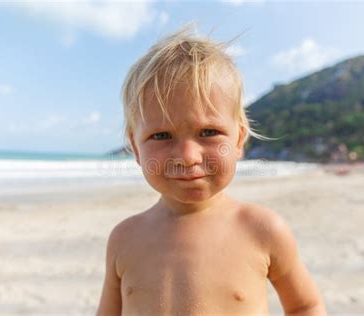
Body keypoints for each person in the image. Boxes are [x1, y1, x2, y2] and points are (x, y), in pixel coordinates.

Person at [96, 25, 326, 316]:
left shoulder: (262, 229)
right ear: (135, 147)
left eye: (208, 132)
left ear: (239, 140)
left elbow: (305, 305)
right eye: (162, 135)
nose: (188, 156)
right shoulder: (124, 238)